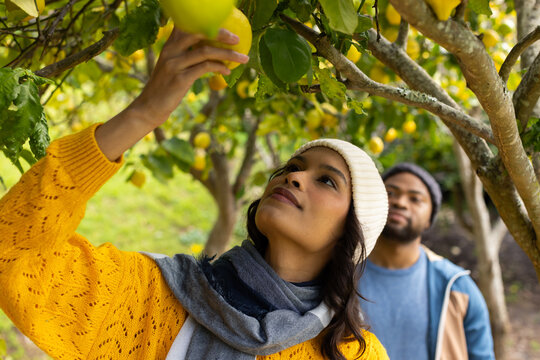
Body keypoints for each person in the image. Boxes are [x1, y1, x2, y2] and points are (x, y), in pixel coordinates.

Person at [0, 28, 390, 359]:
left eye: (327, 180)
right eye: (292, 168)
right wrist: (142, 114)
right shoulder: (152, 299)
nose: (294, 178)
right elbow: (11, 252)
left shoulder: (354, 353)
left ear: (351, 231)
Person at [358, 163, 495, 360]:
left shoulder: (458, 288)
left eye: (415, 199)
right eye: (390, 193)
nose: (400, 203)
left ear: (430, 218)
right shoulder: (337, 273)